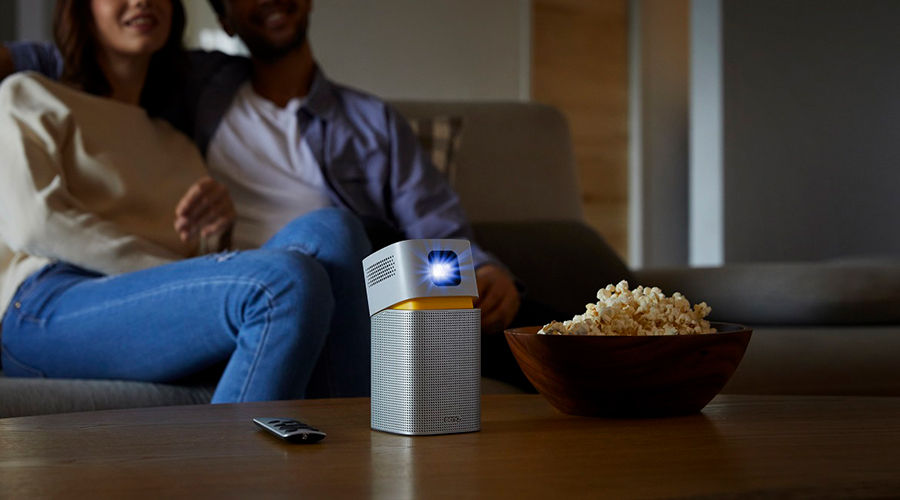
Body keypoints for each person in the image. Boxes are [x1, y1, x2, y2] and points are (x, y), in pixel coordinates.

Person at [1, 0, 522, 335]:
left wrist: (484, 269)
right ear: (224, 18)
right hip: (234, 280)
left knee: (341, 231)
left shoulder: (370, 120)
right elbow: (82, 56)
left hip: (345, 275)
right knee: (323, 240)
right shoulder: (195, 85)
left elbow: (434, 224)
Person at [0, 0, 371, 402]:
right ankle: (232, 464)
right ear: (82, 10)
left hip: (150, 307)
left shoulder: (177, 144)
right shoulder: (28, 95)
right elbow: (34, 225)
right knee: (281, 282)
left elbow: (193, 263)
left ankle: (345, 455)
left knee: (334, 229)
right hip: (44, 305)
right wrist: (196, 271)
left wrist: (216, 237)